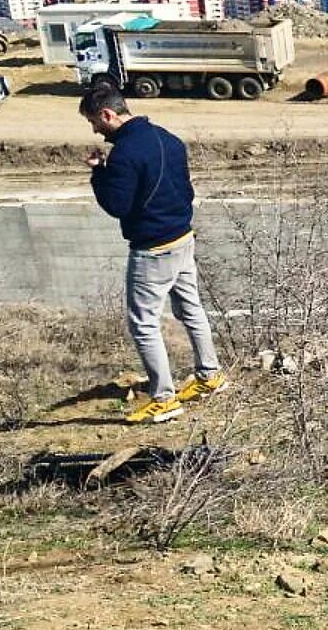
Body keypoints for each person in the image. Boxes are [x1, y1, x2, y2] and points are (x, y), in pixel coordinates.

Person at [82, 84, 224, 424]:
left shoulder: (124, 154)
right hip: (182, 238)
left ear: (108, 114)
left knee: (143, 324)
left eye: (93, 122)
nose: (94, 130)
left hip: (153, 249)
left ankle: (164, 398)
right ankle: (210, 376)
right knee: (191, 309)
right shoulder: (169, 139)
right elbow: (185, 190)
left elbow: (117, 205)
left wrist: (98, 173)